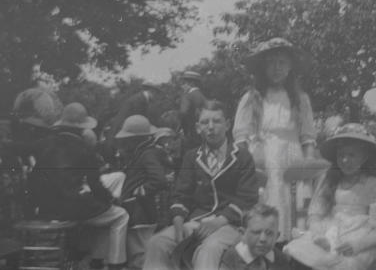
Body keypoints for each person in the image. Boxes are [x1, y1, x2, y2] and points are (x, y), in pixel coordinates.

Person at [143, 100, 259, 270]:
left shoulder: (242, 157)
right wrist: (178, 221)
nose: (210, 127)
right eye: (205, 122)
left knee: (209, 248)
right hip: (196, 221)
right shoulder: (191, 157)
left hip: (229, 224)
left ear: (227, 125)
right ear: (198, 127)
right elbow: (181, 194)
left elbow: (247, 198)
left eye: (217, 121)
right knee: (157, 242)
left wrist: (218, 222)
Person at [233, 37, 317, 240]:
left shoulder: (300, 99)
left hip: (291, 156)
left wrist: (307, 168)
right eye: (270, 62)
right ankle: (262, 245)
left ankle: (288, 247)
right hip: (261, 158)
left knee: (292, 203)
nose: (276, 68)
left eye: (282, 63)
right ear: (263, 67)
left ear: (290, 67)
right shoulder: (251, 98)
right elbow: (241, 136)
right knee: (265, 199)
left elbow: (307, 138)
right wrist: (248, 166)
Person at [27, 102, 129, 270]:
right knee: (119, 215)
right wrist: (111, 200)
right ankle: (114, 264)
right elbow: (95, 186)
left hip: (46, 208)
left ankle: (96, 259)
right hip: (73, 208)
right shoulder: (84, 149)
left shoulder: (45, 143)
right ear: (82, 128)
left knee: (104, 213)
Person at [284, 123, 376, 270]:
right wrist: (317, 235)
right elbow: (316, 214)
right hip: (328, 232)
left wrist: (358, 245)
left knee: (340, 263)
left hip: (358, 239)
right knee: (300, 253)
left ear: (364, 157)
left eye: (352, 155)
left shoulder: (374, 185)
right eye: (341, 155)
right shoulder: (329, 179)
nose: (345, 161)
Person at [106, 116, 177, 270]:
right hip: (138, 211)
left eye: (129, 139)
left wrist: (140, 191)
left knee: (140, 257)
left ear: (137, 139)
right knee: (139, 256)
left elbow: (159, 180)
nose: (126, 143)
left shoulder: (147, 154)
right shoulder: (143, 153)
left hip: (140, 212)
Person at [219, 204, 290, 270]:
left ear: (276, 237)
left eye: (269, 233)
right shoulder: (231, 259)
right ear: (243, 234)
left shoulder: (280, 258)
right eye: (256, 232)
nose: (263, 239)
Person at [179, 71, 207, 149]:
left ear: (191, 83)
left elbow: (183, 113)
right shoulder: (202, 96)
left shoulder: (187, 96)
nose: (182, 86)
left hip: (191, 135)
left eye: (184, 83)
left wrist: (183, 130)